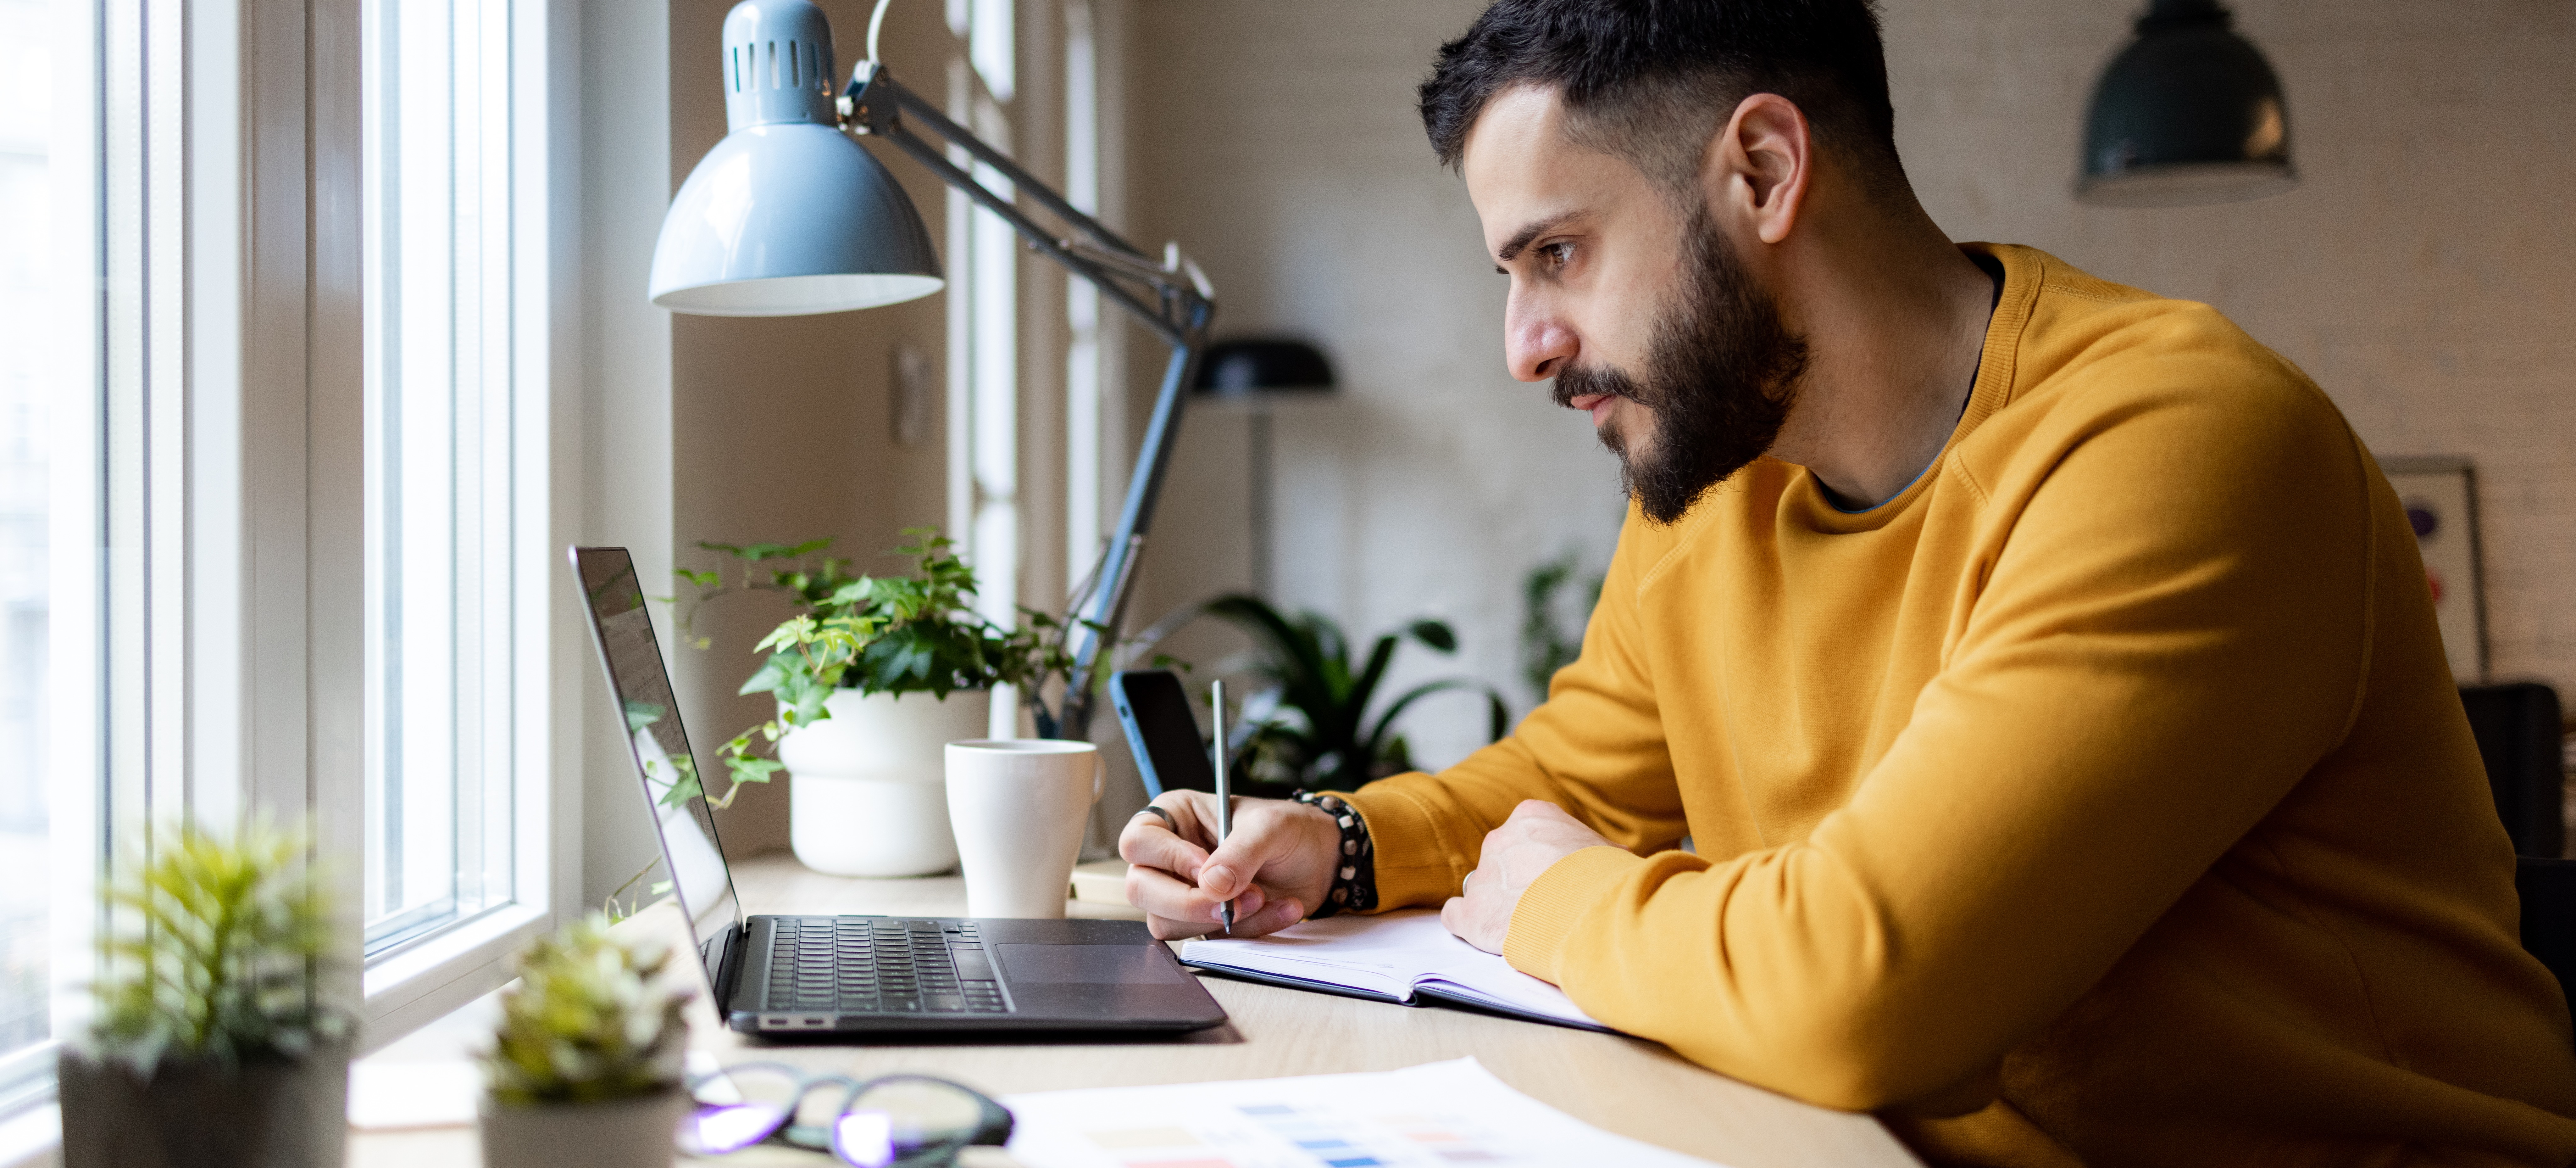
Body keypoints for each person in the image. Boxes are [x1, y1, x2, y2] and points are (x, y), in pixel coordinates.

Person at [1119, 1, 2576, 1163]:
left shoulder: (2178, 445)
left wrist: (1560, 905)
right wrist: (1333, 839)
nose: (1524, 343)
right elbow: (1585, 774)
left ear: (1761, 170)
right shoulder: (1718, 466)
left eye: (1556, 253)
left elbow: (1865, 989)